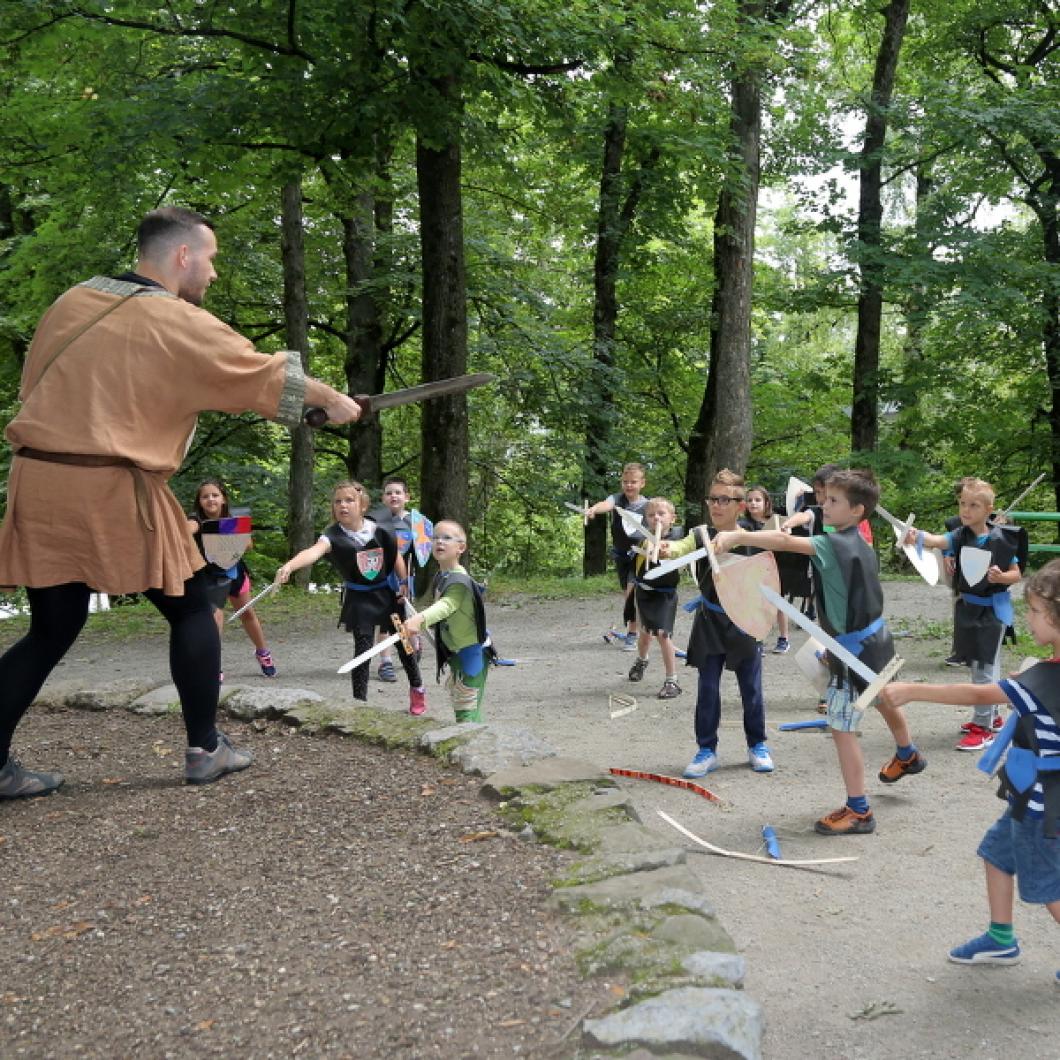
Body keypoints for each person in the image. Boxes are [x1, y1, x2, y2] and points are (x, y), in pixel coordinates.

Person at [0, 206, 362, 797]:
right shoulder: (173, 319)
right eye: (211, 259)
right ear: (183, 256)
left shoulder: (73, 301)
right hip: (113, 485)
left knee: (51, 627)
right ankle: (204, 749)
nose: (214, 274)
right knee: (195, 607)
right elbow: (260, 374)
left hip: (39, 479)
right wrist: (334, 400)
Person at [714, 467, 923, 835]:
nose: (824, 505)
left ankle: (858, 810)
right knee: (883, 698)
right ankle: (907, 753)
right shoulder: (860, 542)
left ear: (857, 510)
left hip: (854, 651)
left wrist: (739, 535)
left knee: (842, 728)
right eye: (824, 498)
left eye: (833, 501)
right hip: (876, 642)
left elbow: (786, 543)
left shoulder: (833, 544)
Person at [879, 560, 1060, 980]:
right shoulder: (1042, 677)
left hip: (1041, 809)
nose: (1026, 618)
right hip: (1031, 797)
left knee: (1050, 889)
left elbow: (980, 691)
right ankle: (1001, 939)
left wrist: (912, 691)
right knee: (996, 854)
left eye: (1033, 612)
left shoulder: (1041, 682)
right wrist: (1027, 685)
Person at [276, 480, 427, 713]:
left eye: (349, 500)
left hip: (388, 595)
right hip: (359, 599)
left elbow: (395, 555)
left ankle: (417, 688)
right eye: (338, 501)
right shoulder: (331, 536)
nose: (343, 506)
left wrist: (404, 581)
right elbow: (312, 553)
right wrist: (289, 566)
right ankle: (360, 704)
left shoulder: (381, 529)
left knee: (404, 644)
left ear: (363, 505)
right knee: (363, 650)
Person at [660, 470, 773, 777]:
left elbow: (770, 578)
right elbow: (679, 547)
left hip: (745, 621)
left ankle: (757, 744)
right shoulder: (700, 534)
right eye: (713, 498)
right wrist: (667, 549)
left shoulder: (753, 537)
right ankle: (706, 750)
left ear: (740, 505)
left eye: (725, 499)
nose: (717, 505)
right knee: (707, 688)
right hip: (709, 620)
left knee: (751, 688)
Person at [905, 478, 1021, 751]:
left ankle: (984, 728)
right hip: (967, 608)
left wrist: (1002, 576)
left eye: (973, 505)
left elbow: (1017, 573)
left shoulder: (1000, 538)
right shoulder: (960, 535)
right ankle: (991, 717)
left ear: (988, 509)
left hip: (992, 611)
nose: (965, 510)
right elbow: (936, 540)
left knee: (984, 668)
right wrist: (917, 536)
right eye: (962, 504)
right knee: (979, 665)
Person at [403, 520, 493, 723]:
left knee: (466, 709)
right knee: (462, 704)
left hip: (472, 652)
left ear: (461, 548)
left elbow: (446, 606)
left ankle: (475, 750)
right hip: (457, 652)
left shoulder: (459, 581)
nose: (439, 542)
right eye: (435, 537)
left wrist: (420, 619)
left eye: (446, 538)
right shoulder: (442, 576)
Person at [187, 478, 277, 680]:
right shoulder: (196, 519)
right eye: (205, 496)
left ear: (223, 499)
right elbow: (188, 529)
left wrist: (229, 541)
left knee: (247, 614)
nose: (210, 499)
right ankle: (214, 665)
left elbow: (248, 545)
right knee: (215, 619)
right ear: (199, 501)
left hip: (234, 572)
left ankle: (263, 652)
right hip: (209, 577)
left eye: (215, 495)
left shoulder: (234, 518)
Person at [368, 477, 431, 683]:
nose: (393, 496)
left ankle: (413, 644)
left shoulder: (415, 522)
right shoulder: (375, 521)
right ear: (383, 498)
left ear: (407, 497)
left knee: (405, 620)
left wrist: (406, 580)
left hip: (404, 579)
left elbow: (420, 551)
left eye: (397, 492)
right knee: (384, 622)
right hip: (381, 579)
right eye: (389, 493)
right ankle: (385, 662)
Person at [586, 463, 648, 650]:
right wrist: (594, 509)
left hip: (640, 556)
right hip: (621, 556)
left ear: (642, 483)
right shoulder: (617, 499)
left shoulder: (648, 505)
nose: (629, 486)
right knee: (627, 594)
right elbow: (606, 504)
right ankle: (637, 628)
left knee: (632, 592)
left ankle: (632, 633)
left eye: (633, 482)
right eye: (625, 482)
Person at [626, 497, 683, 700]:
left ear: (672, 518)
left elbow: (683, 555)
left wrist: (666, 550)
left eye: (661, 514)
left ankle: (672, 680)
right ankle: (642, 660)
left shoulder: (679, 538)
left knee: (663, 634)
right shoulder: (642, 539)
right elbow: (634, 570)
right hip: (645, 592)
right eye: (651, 515)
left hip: (666, 594)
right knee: (645, 633)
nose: (656, 518)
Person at [745, 485, 792, 654]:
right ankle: (759, 639)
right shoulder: (744, 524)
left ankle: (784, 638)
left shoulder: (777, 521)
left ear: (766, 502)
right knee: (758, 604)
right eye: (750, 500)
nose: (753, 503)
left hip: (777, 567)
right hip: (755, 569)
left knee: (778, 602)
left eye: (757, 500)